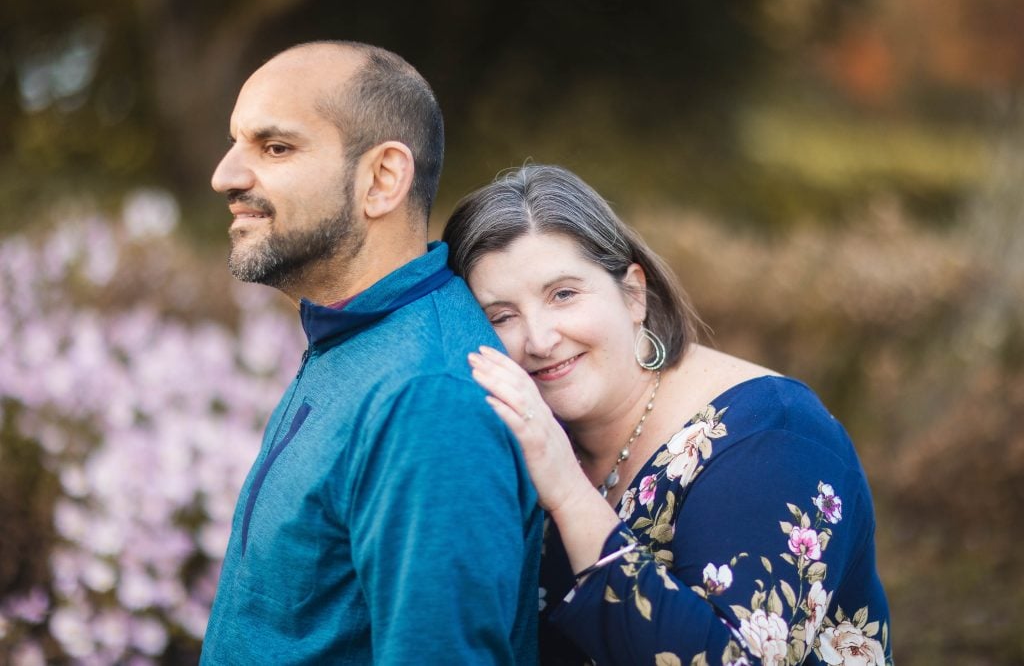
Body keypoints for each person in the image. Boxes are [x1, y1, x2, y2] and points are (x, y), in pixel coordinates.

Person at [443, 164, 892, 665]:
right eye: (501, 316)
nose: (540, 339)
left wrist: (570, 495)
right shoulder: (525, 430)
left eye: (563, 294)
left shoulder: (774, 435)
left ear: (634, 293)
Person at [200, 41, 542, 665]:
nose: (226, 175)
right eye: (236, 142)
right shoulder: (353, 338)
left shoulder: (426, 398)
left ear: (382, 179)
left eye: (275, 147)